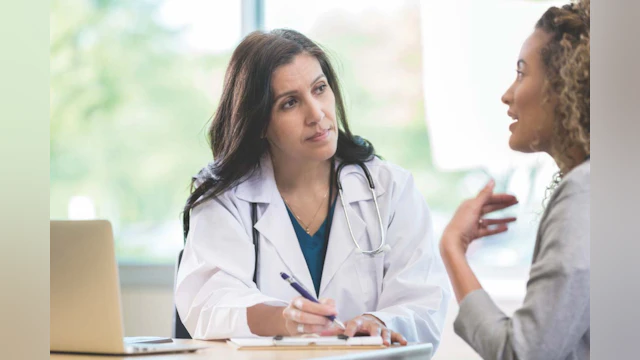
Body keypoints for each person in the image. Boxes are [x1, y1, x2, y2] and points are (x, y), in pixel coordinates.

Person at [174, 28, 451, 348]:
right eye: (290, 103)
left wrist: (378, 323)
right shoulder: (226, 198)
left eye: (319, 89)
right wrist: (285, 321)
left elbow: (424, 301)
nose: (317, 114)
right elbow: (207, 303)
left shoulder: (390, 189)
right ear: (259, 122)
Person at [439, 0, 590, 359]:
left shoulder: (586, 192)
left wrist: (452, 249)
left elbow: (521, 353)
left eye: (522, 73)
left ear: (564, 84)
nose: (507, 94)